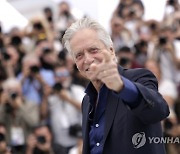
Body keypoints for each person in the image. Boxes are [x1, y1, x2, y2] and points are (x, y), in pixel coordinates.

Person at [62, 17, 170, 154]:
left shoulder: (139, 78)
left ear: (111, 51)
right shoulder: (86, 101)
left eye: (93, 50)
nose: (88, 59)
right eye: (79, 55)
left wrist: (122, 87)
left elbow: (159, 111)